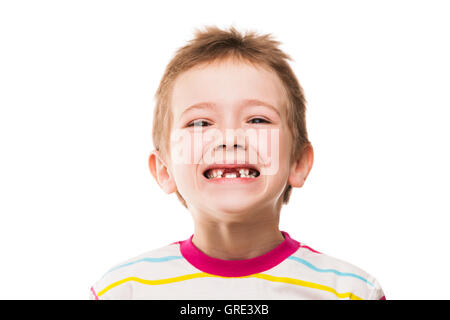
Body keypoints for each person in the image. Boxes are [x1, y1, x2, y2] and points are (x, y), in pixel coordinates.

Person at [89, 25, 386, 300]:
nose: (229, 137)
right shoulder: (122, 291)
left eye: (257, 119)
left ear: (298, 162)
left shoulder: (351, 292)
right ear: (164, 170)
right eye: (200, 123)